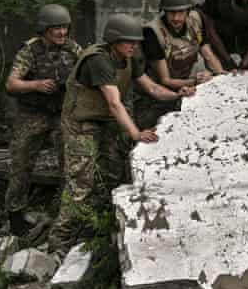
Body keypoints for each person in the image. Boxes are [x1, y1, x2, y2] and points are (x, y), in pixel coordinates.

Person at [48, 14, 194, 251]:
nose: (134, 46)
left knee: (113, 172)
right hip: (80, 122)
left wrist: (179, 95)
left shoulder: (130, 57)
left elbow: (153, 88)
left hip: (105, 121)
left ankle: (96, 226)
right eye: (129, 41)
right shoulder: (99, 61)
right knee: (80, 183)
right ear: (114, 40)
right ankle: (59, 240)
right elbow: (115, 103)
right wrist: (136, 133)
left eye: (136, 42)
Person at [4, 4, 81, 235]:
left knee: (69, 163)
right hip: (33, 113)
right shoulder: (30, 50)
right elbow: (11, 83)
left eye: (64, 27)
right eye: (56, 28)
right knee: (21, 164)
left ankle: (63, 213)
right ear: (45, 29)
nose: (61, 33)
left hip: (60, 113)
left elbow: (86, 68)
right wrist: (35, 85)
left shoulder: (72, 48)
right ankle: (16, 216)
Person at [136, 0, 224, 129]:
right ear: (164, 11)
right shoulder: (153, 33)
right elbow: (165, 80)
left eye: (180, 12)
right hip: (154, 95)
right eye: (171, 13)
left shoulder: (195, 22)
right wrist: (195, 81)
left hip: (182, 89)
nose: (176, 18)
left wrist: (220, 76)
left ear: (188, 11)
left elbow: (208, 54)